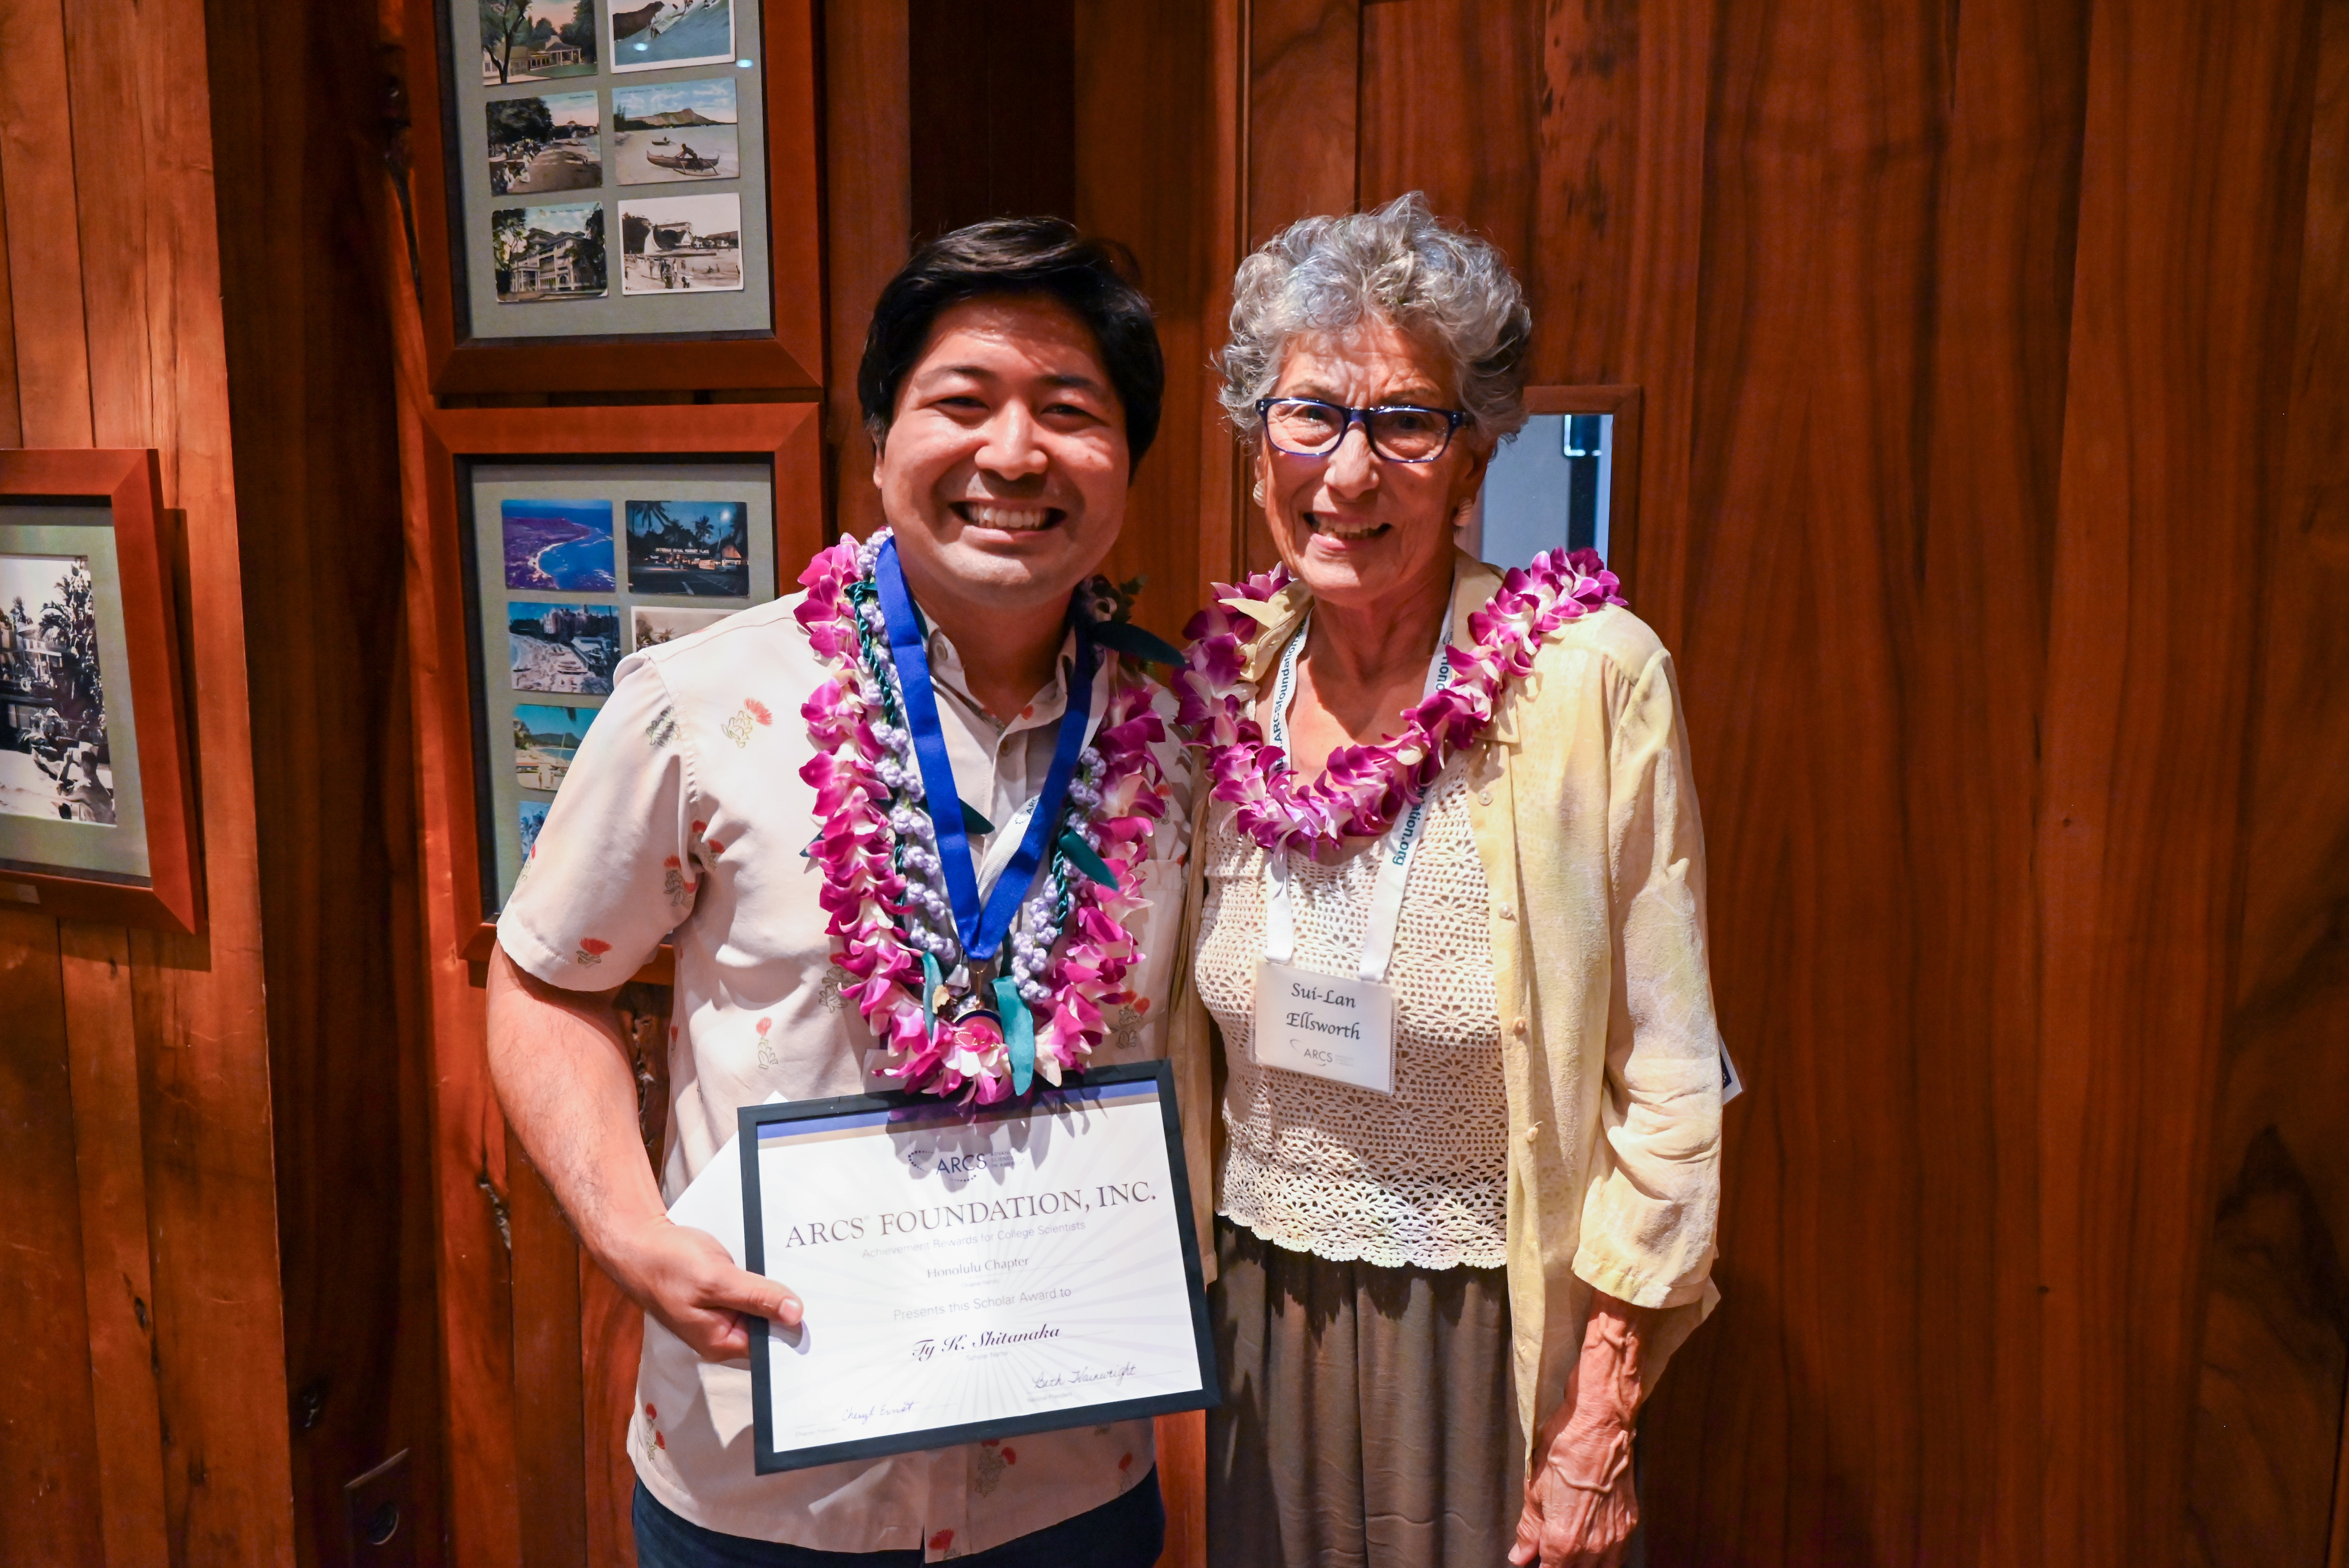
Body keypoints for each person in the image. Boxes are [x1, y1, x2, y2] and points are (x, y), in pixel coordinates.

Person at [488, 217, 1194, 1567]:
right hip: (762, 1483)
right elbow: (539, 979)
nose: (1013, 455)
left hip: (1069, 1483)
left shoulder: (1185, 733)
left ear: (1125, 466)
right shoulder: (700, 709)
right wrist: (627, 1231)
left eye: (1070, 411)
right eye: (963, 402)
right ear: (880, 445)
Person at [1167, 193, 1725, 1568]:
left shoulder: (1592, 681)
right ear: (1257, 452)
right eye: (1312, 415)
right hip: (1257, 1323)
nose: (1350, 474)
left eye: (1405, 422)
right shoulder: (1211, 688)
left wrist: (1599, 1419)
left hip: (1492, 1343)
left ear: (1472, 462)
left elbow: (1672, 1073)